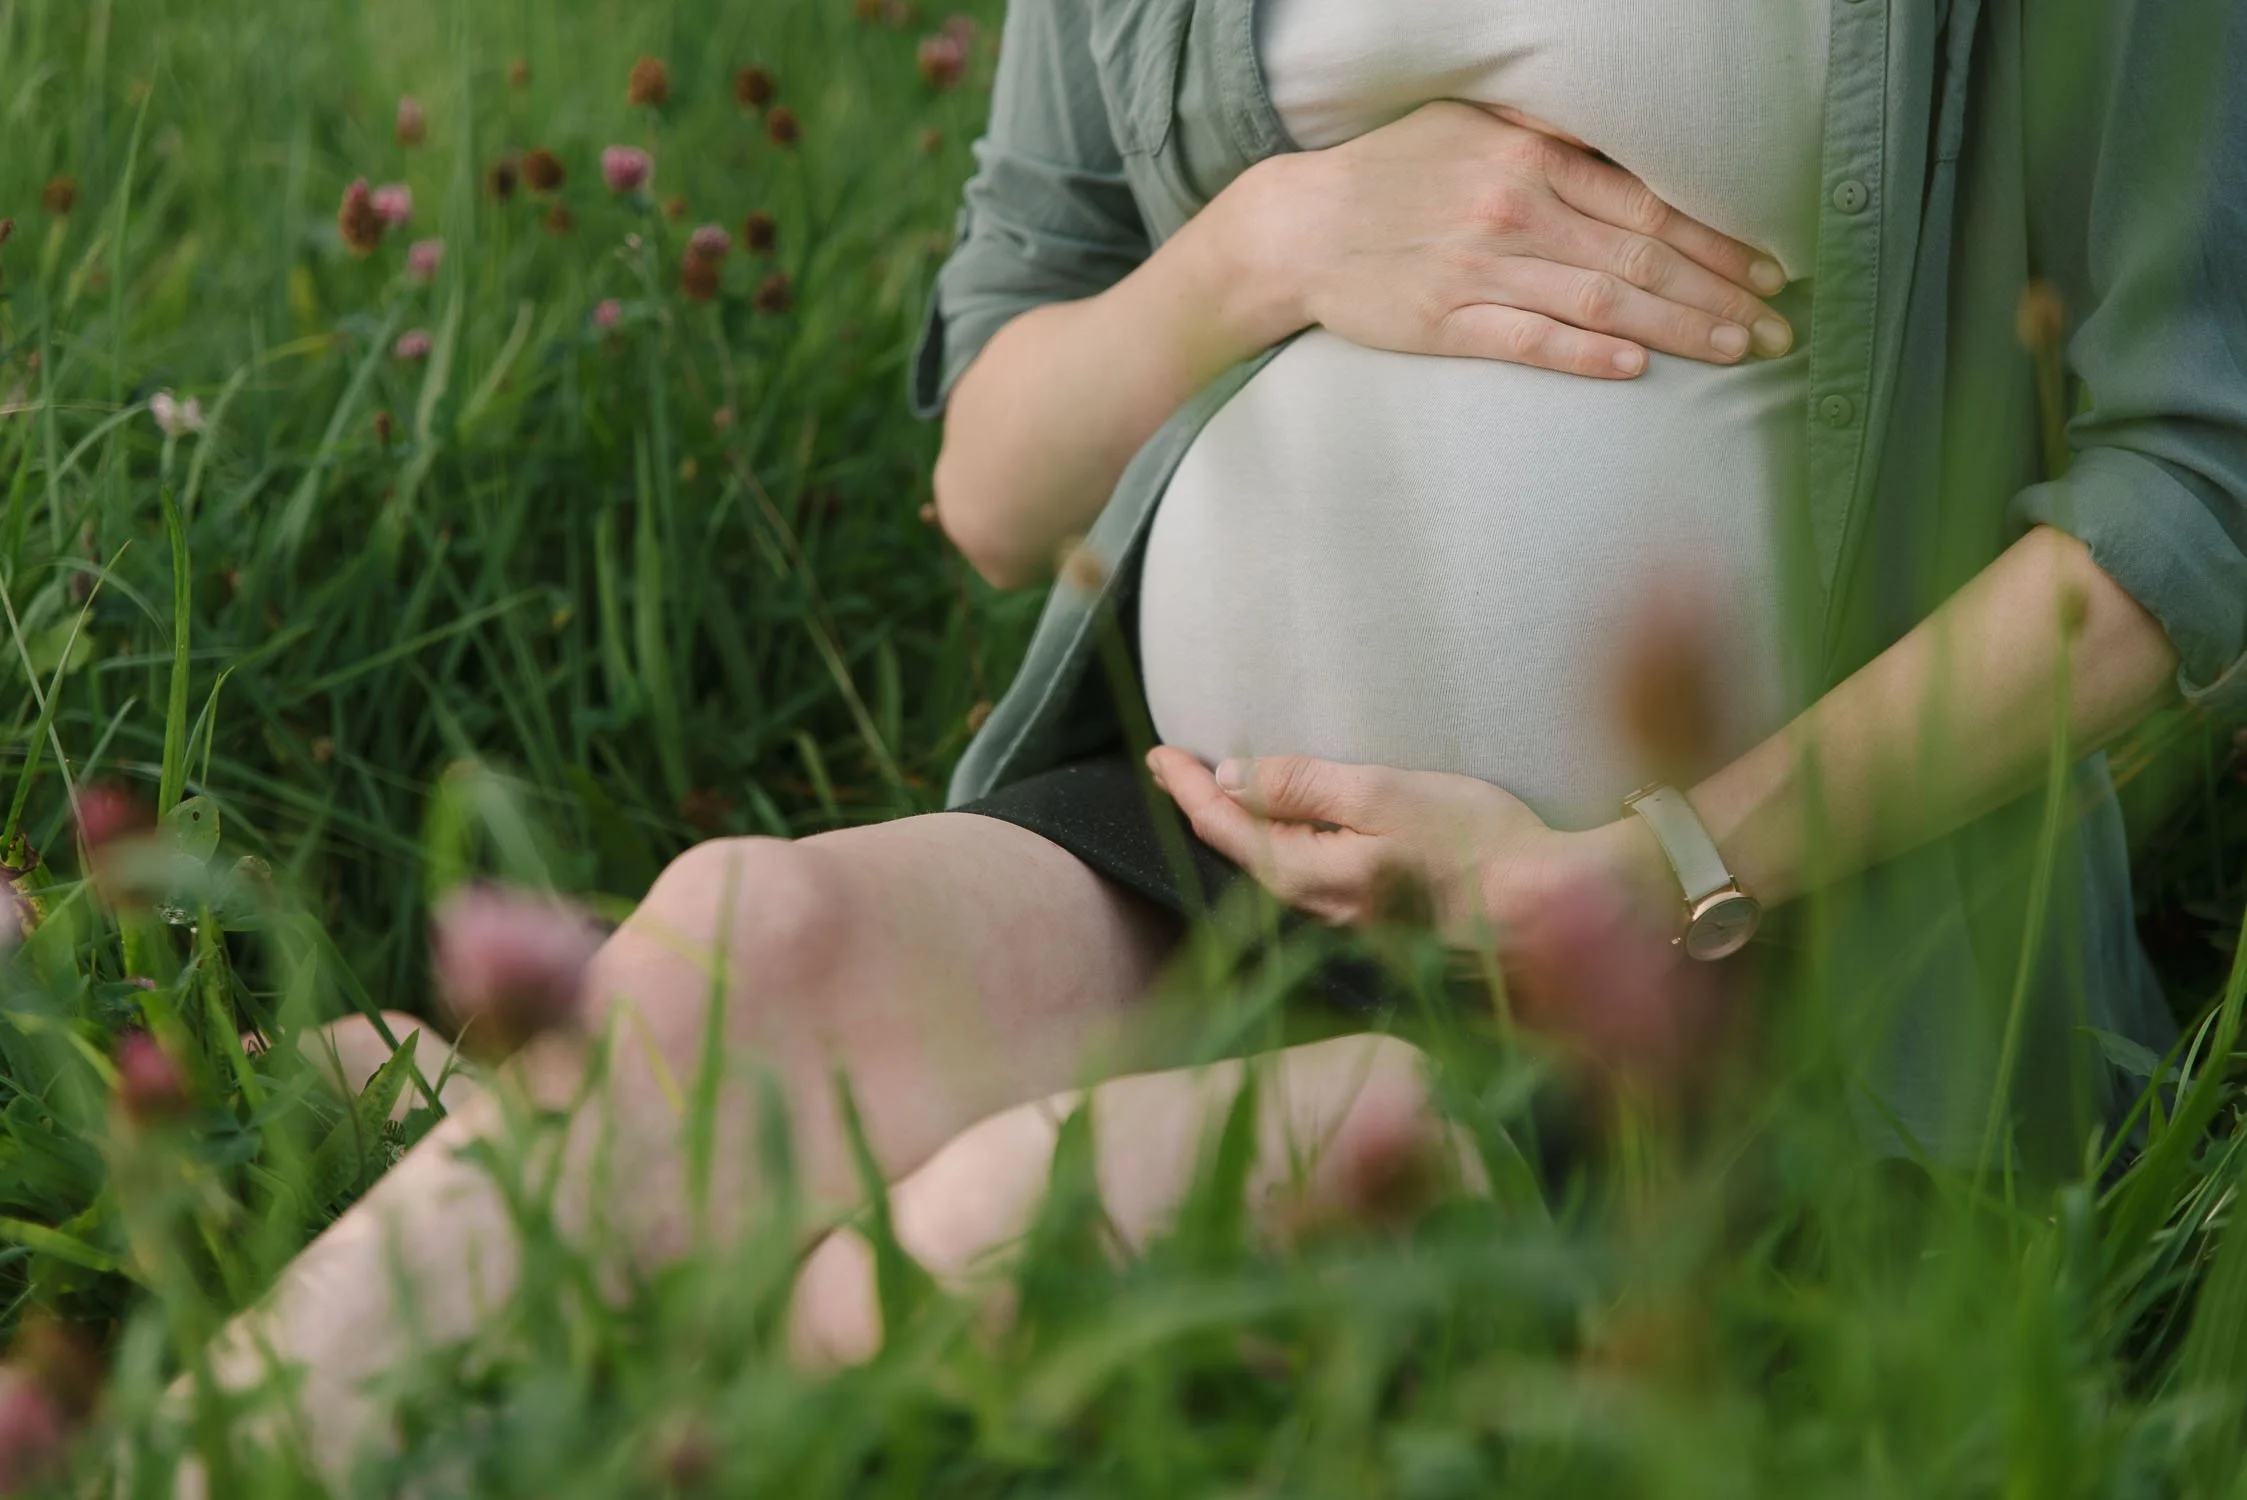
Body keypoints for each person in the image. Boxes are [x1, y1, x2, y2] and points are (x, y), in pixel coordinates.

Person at [192, 0, 2243, 1477]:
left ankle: (592, 1186)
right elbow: (998, 487)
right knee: (750, 939)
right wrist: (1268, 242)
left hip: (1760, 966)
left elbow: (2190, 491)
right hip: (1209, 849)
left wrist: (1647, 868)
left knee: (967, 1256)